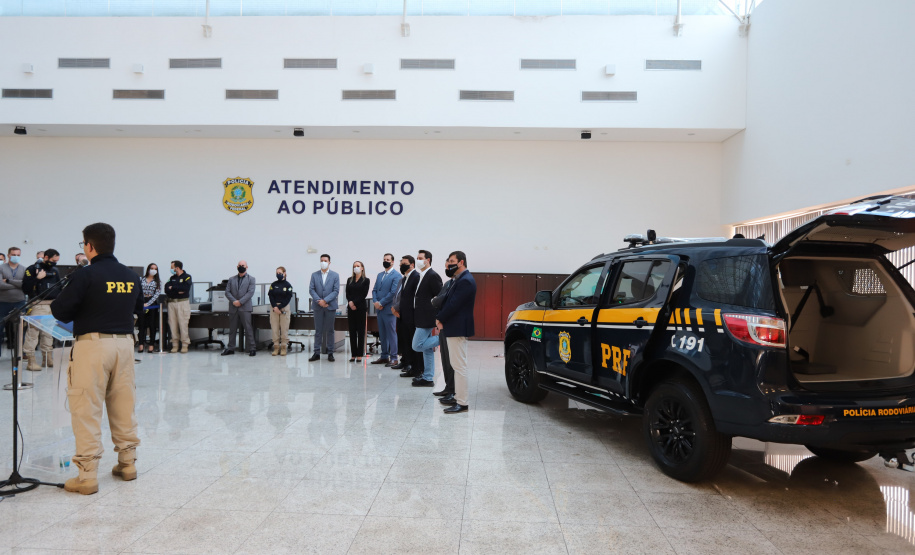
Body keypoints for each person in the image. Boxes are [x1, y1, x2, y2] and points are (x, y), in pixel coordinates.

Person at [50, 222, 143, 495]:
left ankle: (87, 476)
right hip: (125, 346)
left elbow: (60, 311)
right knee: (123, 403)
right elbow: (138, 308)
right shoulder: (130, 276)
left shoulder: (85, 275)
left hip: (92, 347)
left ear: (89, 246)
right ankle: (127, 464)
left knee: (86, 407)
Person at [436, 251, 476, 414]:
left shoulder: (466, 280)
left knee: (459, 366)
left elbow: (453, 305)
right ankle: (458, 397)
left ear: (461, 262)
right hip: (453, 327)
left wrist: (439, 319)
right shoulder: (458, 280)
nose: (449, 264)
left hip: (457, 327)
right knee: (456, 364)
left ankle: (462, 402)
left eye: (452, 261)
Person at [21, 248, 61, 371]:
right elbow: (25, 288)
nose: (54, 263)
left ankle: (47, 358)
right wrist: (37, 278)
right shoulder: (32, 269)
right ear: (46, 257)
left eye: (57, 261)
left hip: (51, 304)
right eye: (53, 260)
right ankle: (31, 360)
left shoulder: (55, 270)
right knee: (33, 333)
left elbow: (59, 287)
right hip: (38, 304)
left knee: (49, 332)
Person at [411, 250, 443, 387]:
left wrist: (438, 318)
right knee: (427, 349)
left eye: (420, 258)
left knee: (417, 345)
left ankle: (443, 338)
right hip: (420, 317)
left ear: (428, 260)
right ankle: (428, 377)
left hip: (427, 318)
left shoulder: (432, 276)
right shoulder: (422, 276)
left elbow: (440, 298)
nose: (418, 260)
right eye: (417, 258)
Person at [392, 255, 422, 378]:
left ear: (412, 265)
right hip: (403, 315)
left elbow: (413, 298)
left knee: (412, 343)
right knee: (405, 342)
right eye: (401, 264)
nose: (402, 266)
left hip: (411, 316)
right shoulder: (405, 278)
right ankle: (409, 366)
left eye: (404, 263)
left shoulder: (416, 277)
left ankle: (416, 369)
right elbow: (402, 297)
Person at [371, 253, 401, 367]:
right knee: (382, 334)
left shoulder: (396, 275)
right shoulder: (379, 275)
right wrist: (375, 302)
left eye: (388, 259)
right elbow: (374, 290)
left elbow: (393, 292)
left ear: (392, 262)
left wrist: (381, 303)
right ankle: (384, 356)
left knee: (391, 334)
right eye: (384, 259)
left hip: (388, 309)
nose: (386, 261)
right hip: (379, 310)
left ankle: (394, 357)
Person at [222, 260, 256, 357]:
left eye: (243, 265)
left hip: (245, 307)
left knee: (248, 328)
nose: (241, 266)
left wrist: (240, 302)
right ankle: (231, 348)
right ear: (237, 266)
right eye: (240, 265)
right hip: (233, 307)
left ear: (247, 267)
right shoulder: (231, 279)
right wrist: (234, 301)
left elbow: (250, 293)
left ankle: (252, 348)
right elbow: (227, 292)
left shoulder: (251, 279)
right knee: (232, 329)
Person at [309, 254, 339, 362]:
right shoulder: (314, 275)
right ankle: (316, 352)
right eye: (321, 260)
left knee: (330, 330)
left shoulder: (335, 275)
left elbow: (336, 291)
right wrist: (320, 301)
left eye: (325, 260)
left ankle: (330, 352)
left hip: (330, 306)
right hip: (318, 307)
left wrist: (325, 301)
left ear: (329, 262)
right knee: (318, 330)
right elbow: (311, 289)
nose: (323, 262)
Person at [432, 276, 456, 399]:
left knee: (452, 360)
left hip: (453, 325)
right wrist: (438, 319)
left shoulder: (460, 283)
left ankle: (453, 391)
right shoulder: (448, 283)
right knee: (445, 358)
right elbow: (437, 302)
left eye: (452, 262)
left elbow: (447, 301)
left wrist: (438, 300)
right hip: (442, 325)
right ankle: (448, 388)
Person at [0, 247, 26, 357]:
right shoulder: (1, 268)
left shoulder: (24, 269)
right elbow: (0, 285)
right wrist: (17, 285)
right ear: (9, 255)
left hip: (19, 302)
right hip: (3, 302)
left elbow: (24, 284)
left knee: (20, 329)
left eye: (18, 255)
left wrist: (9, 281)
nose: (16, 256)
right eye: (13, 254)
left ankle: (20, 353)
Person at [164, 260, 192, 353]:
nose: (171, 269)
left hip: (182, 303)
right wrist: (176, 288)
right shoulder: (172, 278)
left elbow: (185, 288)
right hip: (171, 303)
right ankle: (175, 344)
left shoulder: (187, 277)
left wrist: (173, 287)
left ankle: (184, 344)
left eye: (172, 267)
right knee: (173, 324)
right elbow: (166, 289)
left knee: (183, 324)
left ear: (177, 268)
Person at [346, 261, 371, 362]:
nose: (356, 267)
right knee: (352, 331)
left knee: (360, 331)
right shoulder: (349, 280)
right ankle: (353, 354)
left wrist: (354, 303)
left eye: (358, 266)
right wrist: (350, 303)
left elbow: (363, 294)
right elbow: (347, 293)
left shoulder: (366, 280)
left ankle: (360, 354)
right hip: (351, 309)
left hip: (360, 308)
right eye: (354, 266)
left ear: (362, 268)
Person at [268, 267, 294, 356]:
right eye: (277, 273)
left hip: (284, 307)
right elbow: (271, 296)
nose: (278, 274)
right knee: (275, 328)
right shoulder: (273, 284)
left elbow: (288, 298)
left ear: (284, 273)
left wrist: (279, 307)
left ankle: (283, 347)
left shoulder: (288, 285)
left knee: (284, 328)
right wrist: (275, 307)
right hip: (274, 308)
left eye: (280, 272)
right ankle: (276, 347)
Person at [137, 263, 160, 353]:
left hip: (152, 303)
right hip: (142, 301)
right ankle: (141, 344)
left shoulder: (157, 281)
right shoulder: (141, 279)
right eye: (152, 268)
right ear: (148, 269)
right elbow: (138, 290)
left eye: (155, 269)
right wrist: (142, 302)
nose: (153, 270)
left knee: (152, 325)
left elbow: (157, 294)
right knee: (141, 324)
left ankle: (151, 345)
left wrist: (149, 303)